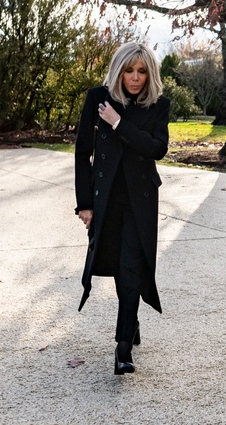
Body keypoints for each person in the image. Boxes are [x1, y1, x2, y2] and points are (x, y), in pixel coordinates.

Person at [74, 42, 170, 375]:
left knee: (132, 265)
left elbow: (157, 149)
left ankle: (122, 347)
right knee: (117, 263)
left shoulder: (158, 105)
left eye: (142, 71)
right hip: (107, 197)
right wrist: (84, 204)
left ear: (150, 74)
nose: (135, 77)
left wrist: (117, 123)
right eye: (129, 70)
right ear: (118, 70)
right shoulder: (96, 99)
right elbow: (82, 152)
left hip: (140, 199)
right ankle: (131, 321)